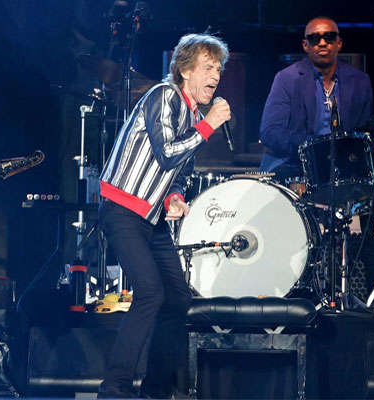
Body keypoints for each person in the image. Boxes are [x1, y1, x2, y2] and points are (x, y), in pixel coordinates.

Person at [96, 33, 230, 398]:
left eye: (218, 69)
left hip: (150, 218)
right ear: (185, 70)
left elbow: (179, 173)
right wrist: (209, 125)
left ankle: (155, 389)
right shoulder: (164, 95)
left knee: (178, 298)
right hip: (122, 208)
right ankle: (114, 387)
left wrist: (174, 197)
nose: (215, 76)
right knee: (150, 294)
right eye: (208, 67)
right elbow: (168, 152)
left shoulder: (193, 114)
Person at [259, 16, 373, 181]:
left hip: (344, 170)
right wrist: (312, 151)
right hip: (295, 165)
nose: (322, 43)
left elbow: (364, 133)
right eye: (314, 38)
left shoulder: (360, 81)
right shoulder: (286, 78)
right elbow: (269, 131)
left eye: (329, 37)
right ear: (305, 45)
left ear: (339, 43)